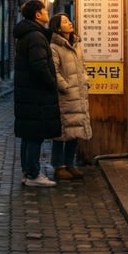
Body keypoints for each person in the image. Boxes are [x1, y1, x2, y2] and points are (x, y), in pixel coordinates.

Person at [13, 0, 62, 187]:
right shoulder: (35, 36)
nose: (47, 12)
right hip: (36, 94)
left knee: (29, 135)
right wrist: (52, 83)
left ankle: (28, 172)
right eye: (44, 9)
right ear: (37, 14)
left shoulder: (29, 34)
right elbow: (39, 65)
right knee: (35, 135)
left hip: (28, 94)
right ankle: (33, 174)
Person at [48, 13, 92, 181]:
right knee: (62, 132)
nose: (69, 23)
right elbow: (54, 70)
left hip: (79, 93)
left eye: (68, 20)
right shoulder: (54, 47)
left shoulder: (76, 44)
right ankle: (59, 167)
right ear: (58, 27)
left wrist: (85, 81)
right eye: (65, 21)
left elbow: (83, 66)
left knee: (75, 131)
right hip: (65, 96)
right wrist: (64, 86)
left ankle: (70, 164)